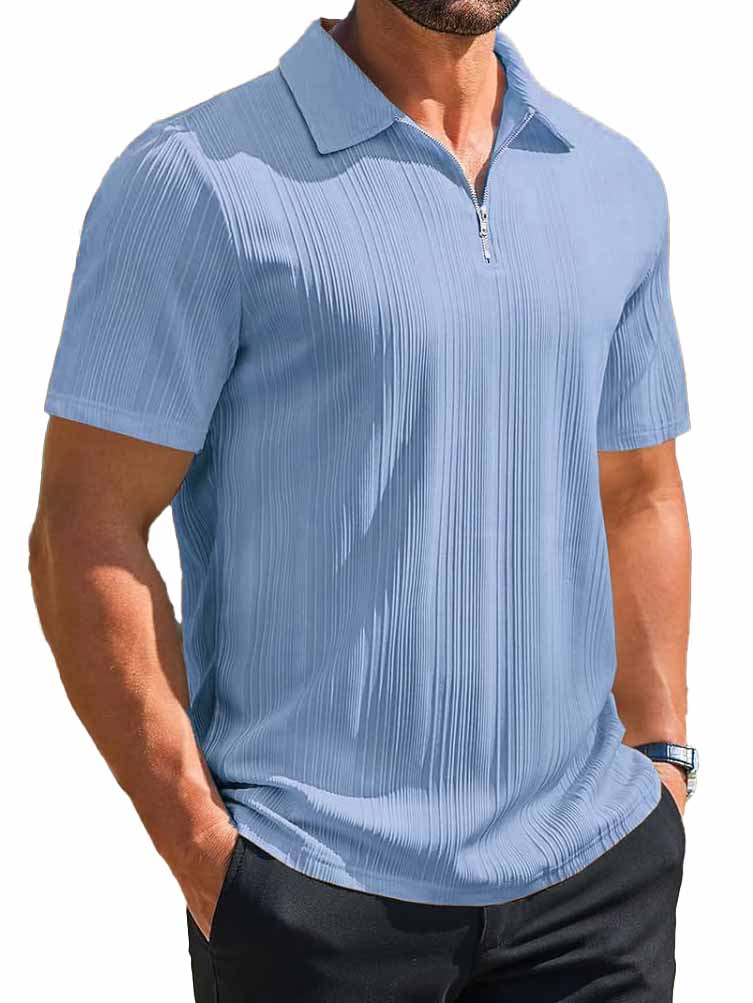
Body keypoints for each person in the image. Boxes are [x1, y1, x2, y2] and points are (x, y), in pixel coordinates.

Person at [29, 2, 696, 1000]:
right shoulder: (197, 180)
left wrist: (663, 763)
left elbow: (636, 490)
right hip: (314, 895)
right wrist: (210, 859)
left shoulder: (612, 180)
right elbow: (84, 529)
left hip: (594, 894)